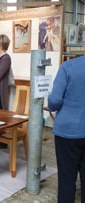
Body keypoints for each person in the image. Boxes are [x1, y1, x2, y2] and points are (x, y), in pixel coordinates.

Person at [48, 56, 85, 203]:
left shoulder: (68, 67)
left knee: (67, 179)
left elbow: (55, 101)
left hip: (68, 132)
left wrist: (50, 102)